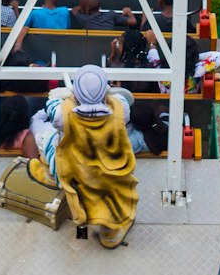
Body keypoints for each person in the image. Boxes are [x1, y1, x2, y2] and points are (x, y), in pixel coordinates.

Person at [29, 65, 138, 248]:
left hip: (75, 174)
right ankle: (110, 233)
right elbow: (123, 98)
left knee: (47, 140)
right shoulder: (120, 109)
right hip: (111, 173)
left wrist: (67, 95)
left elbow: (52, 105)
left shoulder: (63, 115)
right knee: (114, 201)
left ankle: (51, 174)